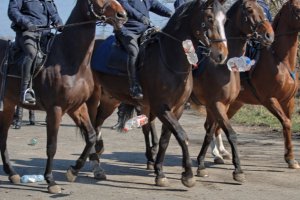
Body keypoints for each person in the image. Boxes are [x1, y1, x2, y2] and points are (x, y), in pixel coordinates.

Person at [8, 0, 63, 105]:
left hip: (45, 35)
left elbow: (54, 14)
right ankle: (25, 90)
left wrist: (59, 22)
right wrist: (27, 23)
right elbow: (12, 11)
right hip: (27, 33)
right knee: (32, 54)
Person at [116, 0, 172, 100]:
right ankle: (134, 85)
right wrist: (140, 17)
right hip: (128, 30)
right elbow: (125, 6)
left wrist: (171, 13)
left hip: (145, 29)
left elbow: (156, 5)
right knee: (134, 52)